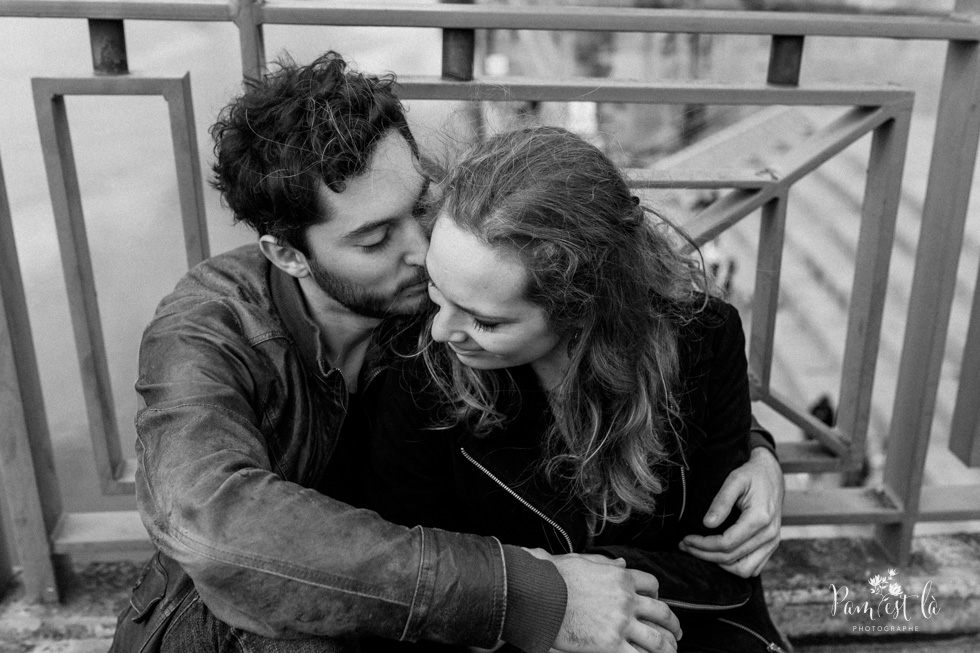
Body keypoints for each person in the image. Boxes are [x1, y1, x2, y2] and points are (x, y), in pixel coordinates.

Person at [109, 52, 784, 653]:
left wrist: (751, 443)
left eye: (423, 203)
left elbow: (608, 321)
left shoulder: (447, 287)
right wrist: (533, 592)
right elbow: (217, 533)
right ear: (288, 254)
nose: (418, 247)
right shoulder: (202, 333)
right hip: (247, 621)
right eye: (375, 239)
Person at [364, 126, 793, 652]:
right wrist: (547, 600)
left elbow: (721, 566)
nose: (438, 329)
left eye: (486, 322)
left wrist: (599, 593)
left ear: (582, 310)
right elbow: (416, 570)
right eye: (437, 287)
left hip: (687, 626)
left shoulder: (702, 339)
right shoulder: (418, 370)